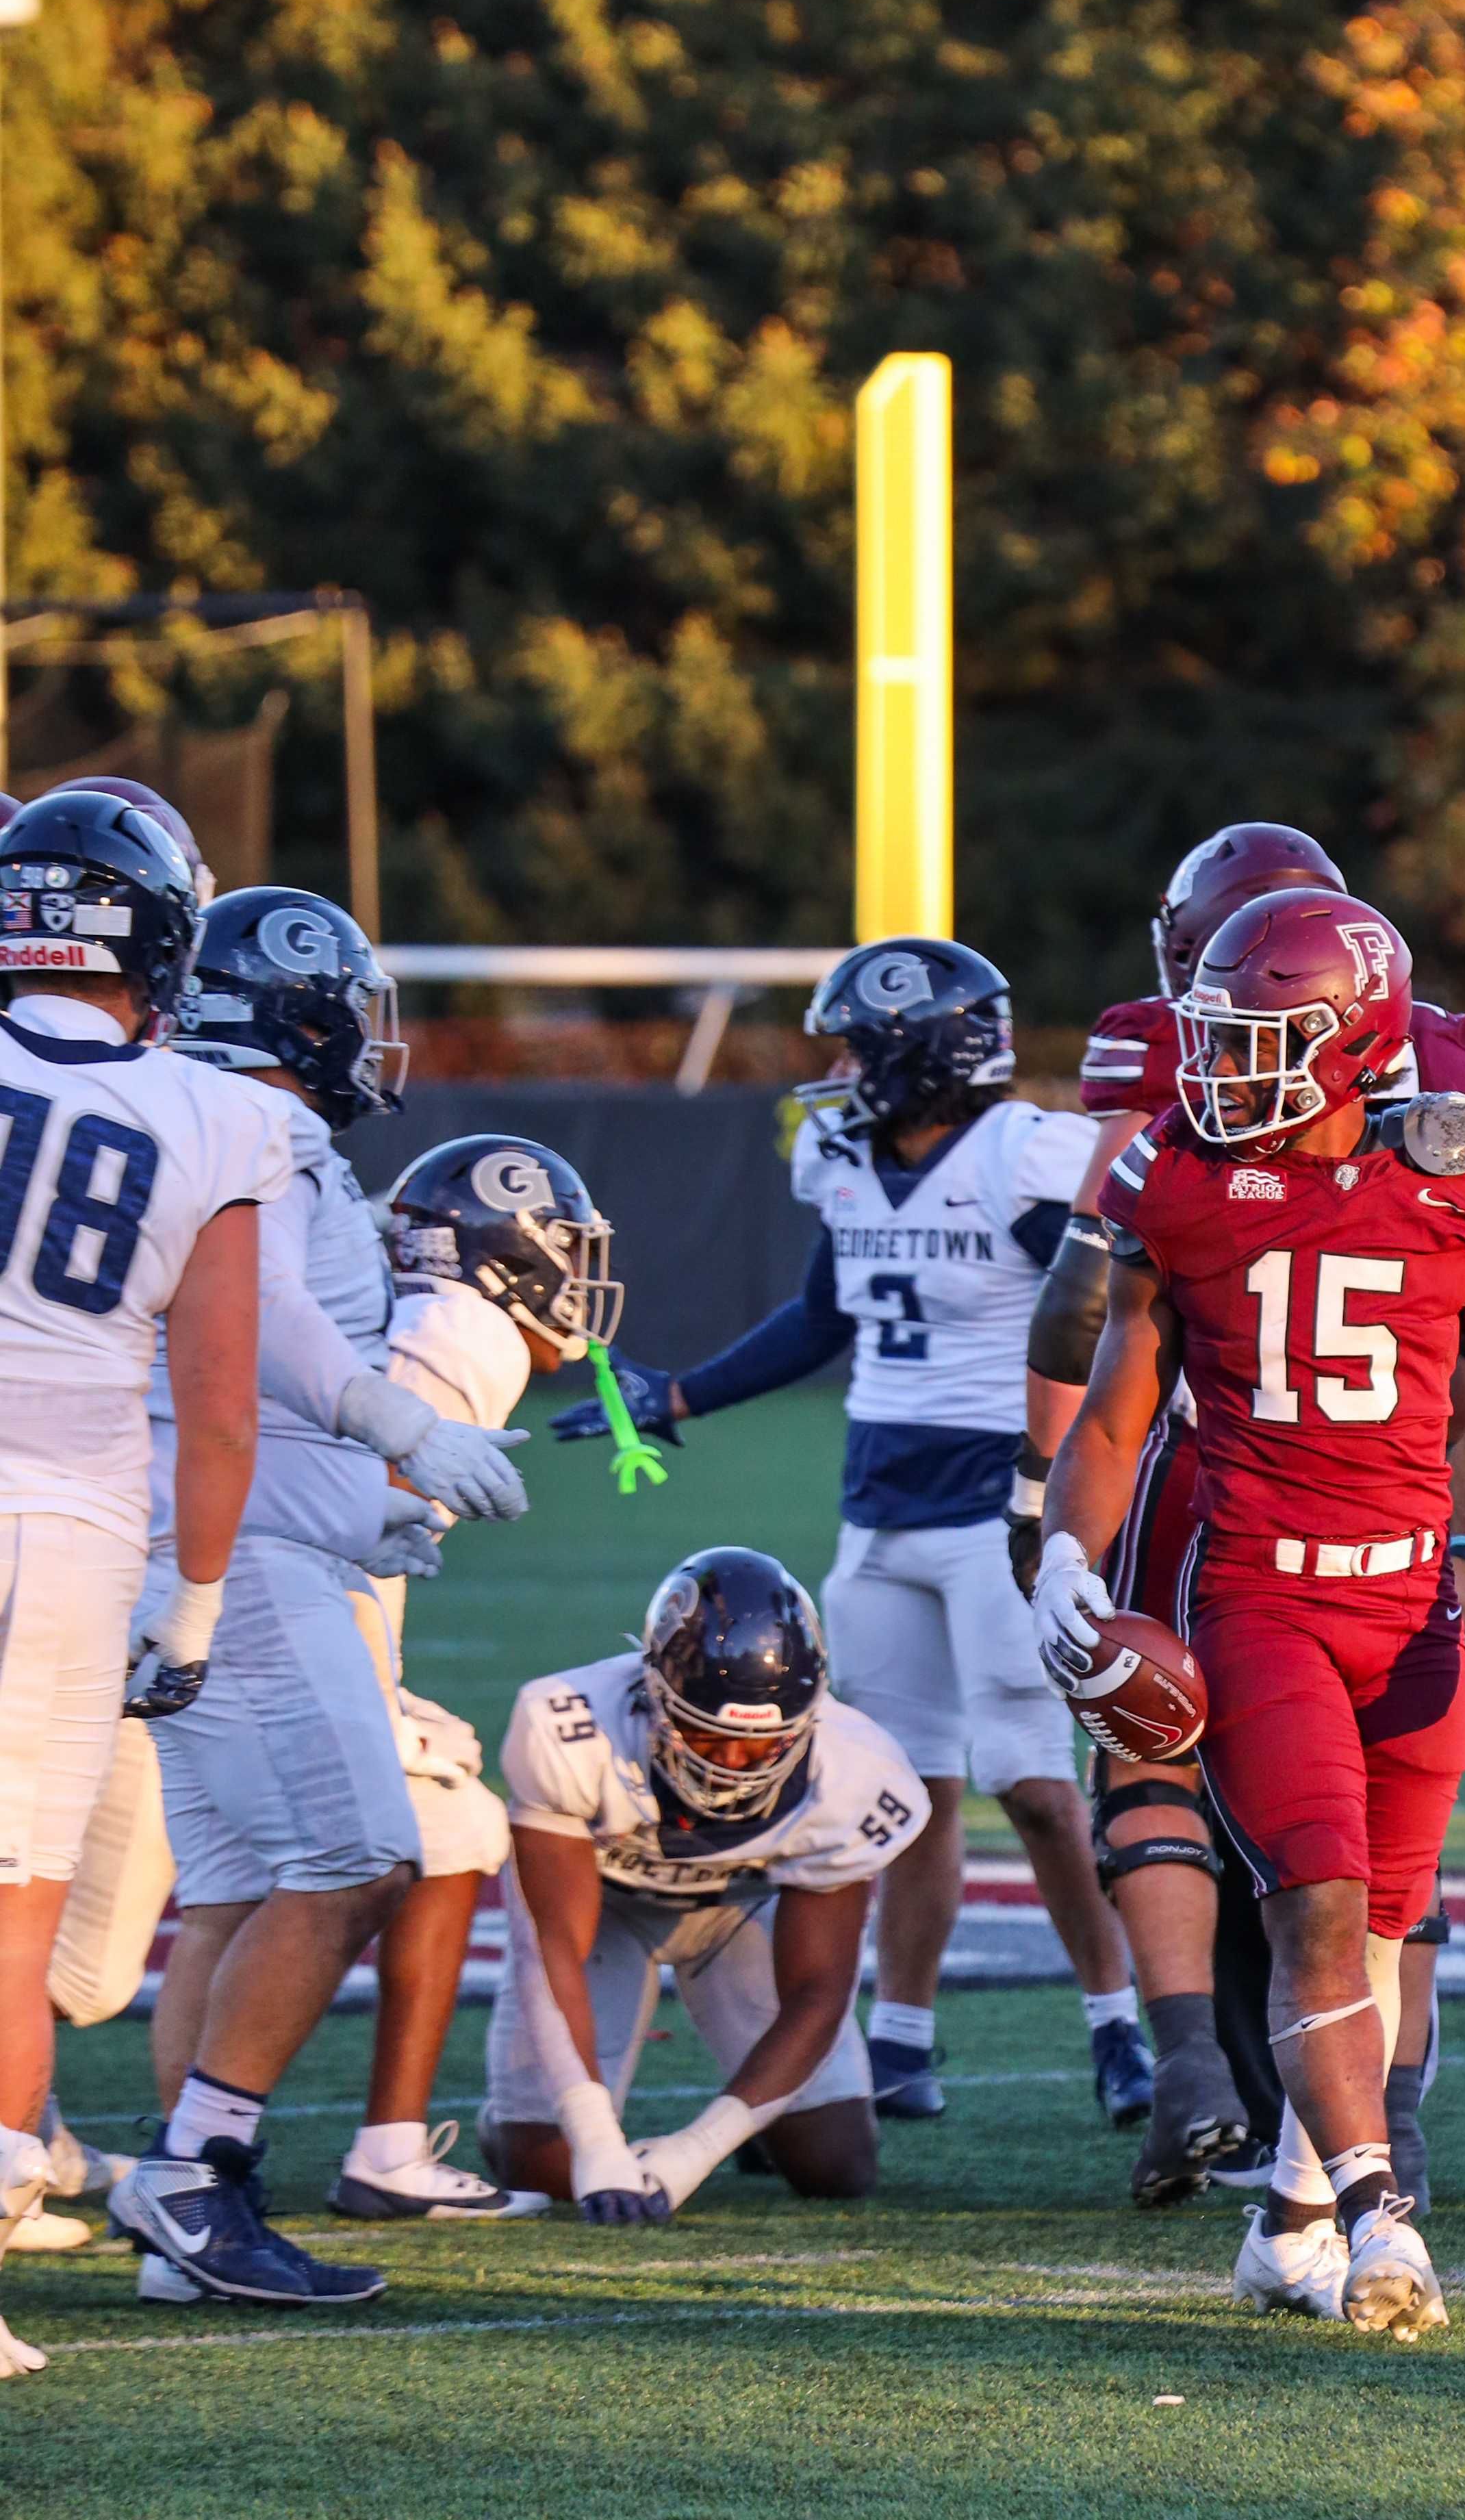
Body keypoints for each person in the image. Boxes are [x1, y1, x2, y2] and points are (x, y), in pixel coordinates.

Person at [1037, 887, 1465, 2338]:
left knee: (1382, 1927)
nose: (1220, 1072)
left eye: (1258, 1041)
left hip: (1414, 1610)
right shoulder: (1174, 1180)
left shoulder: (1451, 1176)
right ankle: (1375, 2218)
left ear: (1354, 1044)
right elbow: (1111, 1418)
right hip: (1261, 1600)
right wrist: (1062, 1551)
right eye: (1213, 1040)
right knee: (1318, 1903)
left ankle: (1289, 2215)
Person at [555, 939, 1150, 2132]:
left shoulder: (1020, 1157)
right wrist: (681, 1399)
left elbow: (1112, 1306)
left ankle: (1122, 2022)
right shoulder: (841, 1152)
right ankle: (903, 2038)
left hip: (1001, 1506)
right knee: (896, 1790)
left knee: (1033, 1785)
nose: (837, 1069)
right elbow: (826, 1313)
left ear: (927, 1054)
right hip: (879, 1507)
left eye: (859, 1046)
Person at [107, 895, 531, 2312]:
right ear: (298, 1012)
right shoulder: (257, 1132)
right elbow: (259, 1342)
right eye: (348, 1000)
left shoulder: (183, 1115)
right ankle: (193, 2172)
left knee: (230, 1892)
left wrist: (368, 1504)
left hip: (191, 1538)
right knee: (357, 1857)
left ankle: (192, 2213)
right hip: (232, 1558)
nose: (367, 1029)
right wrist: (397, 1438)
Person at [0, 789, 281, 2376]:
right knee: (12, 1912)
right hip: (65, 1529)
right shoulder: (214, 1113)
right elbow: (223, 1397)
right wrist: (192, 1599)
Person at [329, 1132, 628, 2215]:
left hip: (216, 1602)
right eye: (564, 1249)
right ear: (508, 1254)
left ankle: (184, 2157)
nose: (580, 1280)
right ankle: (361, 2152)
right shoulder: (465, 1333)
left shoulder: (415, 1311)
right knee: (448, 1824)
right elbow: (355, 1508)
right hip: (260, 1621)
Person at [483, 1549, 923, 2214]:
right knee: (549, 2168)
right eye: (711, 1738)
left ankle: (754, 2123)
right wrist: (600, 2144)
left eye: (761, 1747)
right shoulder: (570, 1725)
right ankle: (508, 2118)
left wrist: (697, 2149)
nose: (737, 1767)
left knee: (837, 2167)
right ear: (655, 1690)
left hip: (738, 1914)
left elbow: (818, 1993)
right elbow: (553, 1953)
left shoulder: (859, 1772)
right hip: (605, 1913)